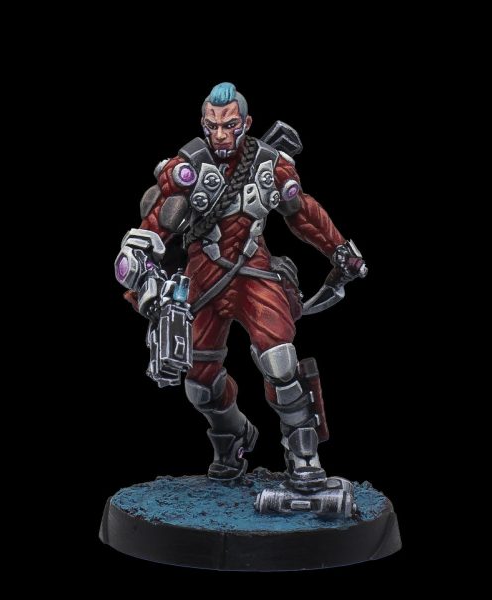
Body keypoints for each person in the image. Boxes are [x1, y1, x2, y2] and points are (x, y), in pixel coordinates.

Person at [115, 82, 367, 497]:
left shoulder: (269, 164)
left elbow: (301, 212)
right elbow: (153, 227)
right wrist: (140, 267)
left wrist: (340, 249)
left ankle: (302, 452)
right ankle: (232, 435)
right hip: (202, 278)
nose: (220, 135)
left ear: (245, 123)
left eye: (229, 125)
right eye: (212, 126)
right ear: (203, 124)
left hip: (253, 272)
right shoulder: (187, 169)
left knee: (280, 359)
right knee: (198, 382)